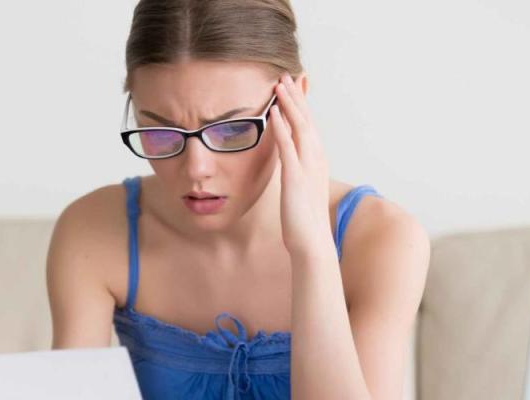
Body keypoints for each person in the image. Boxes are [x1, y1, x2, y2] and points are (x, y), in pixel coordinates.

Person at [46, 1, 431, 399]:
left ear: (293, 100)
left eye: (231, 130)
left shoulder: (381, 239)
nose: (197, 169)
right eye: (160, 131)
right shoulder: (94, 231)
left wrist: (313, 249)